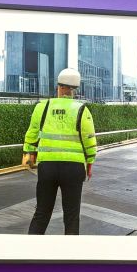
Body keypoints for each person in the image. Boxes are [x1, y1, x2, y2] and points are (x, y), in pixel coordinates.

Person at [21, 68, 98, 235]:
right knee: (71, 216)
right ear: (74, 89)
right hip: (73, 168)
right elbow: (89, 139)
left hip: (47, 168)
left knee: (41, 213)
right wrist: (90, 163)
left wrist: (29, 154)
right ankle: (69, 250)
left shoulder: (42, 107)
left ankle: (29, 249)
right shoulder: (81, 109)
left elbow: (32, 134)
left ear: (59, 86)